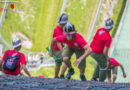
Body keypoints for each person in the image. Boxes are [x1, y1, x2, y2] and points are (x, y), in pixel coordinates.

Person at [51, 13, 68, 78]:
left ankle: (56, 76)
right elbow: (58, 44)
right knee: (66, 61)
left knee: (58, 63)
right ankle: (61, 76)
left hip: (57, 49)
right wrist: (63, 52)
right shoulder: (58, 30)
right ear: (64, 23)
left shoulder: (60, 29)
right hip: (56, 50)